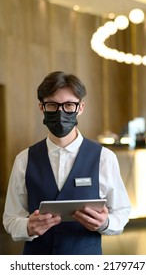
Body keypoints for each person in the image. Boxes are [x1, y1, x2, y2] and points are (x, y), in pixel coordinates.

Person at [3, 71, 131, 255]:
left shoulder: (104, 157)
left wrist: (105, 223)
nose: (61, 112)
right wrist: (27, 227)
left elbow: (122, 211)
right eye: (53, 105)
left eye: (69, 105)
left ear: (80, 108)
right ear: (42, 107)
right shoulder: (24, 159)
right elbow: (10, 218)